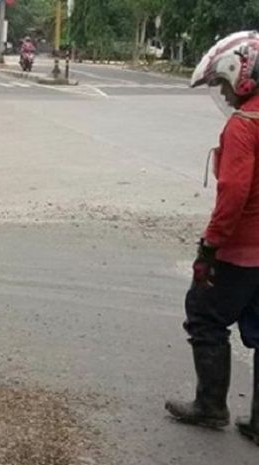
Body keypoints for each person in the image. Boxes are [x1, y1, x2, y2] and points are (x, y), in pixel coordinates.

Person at [165, 31, 259, 446]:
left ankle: (210, 406)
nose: (223, 92)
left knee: (204, 314)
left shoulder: (244, 127)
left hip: (242, 251)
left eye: (222, 83)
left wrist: (209, 248)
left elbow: (234, 194)